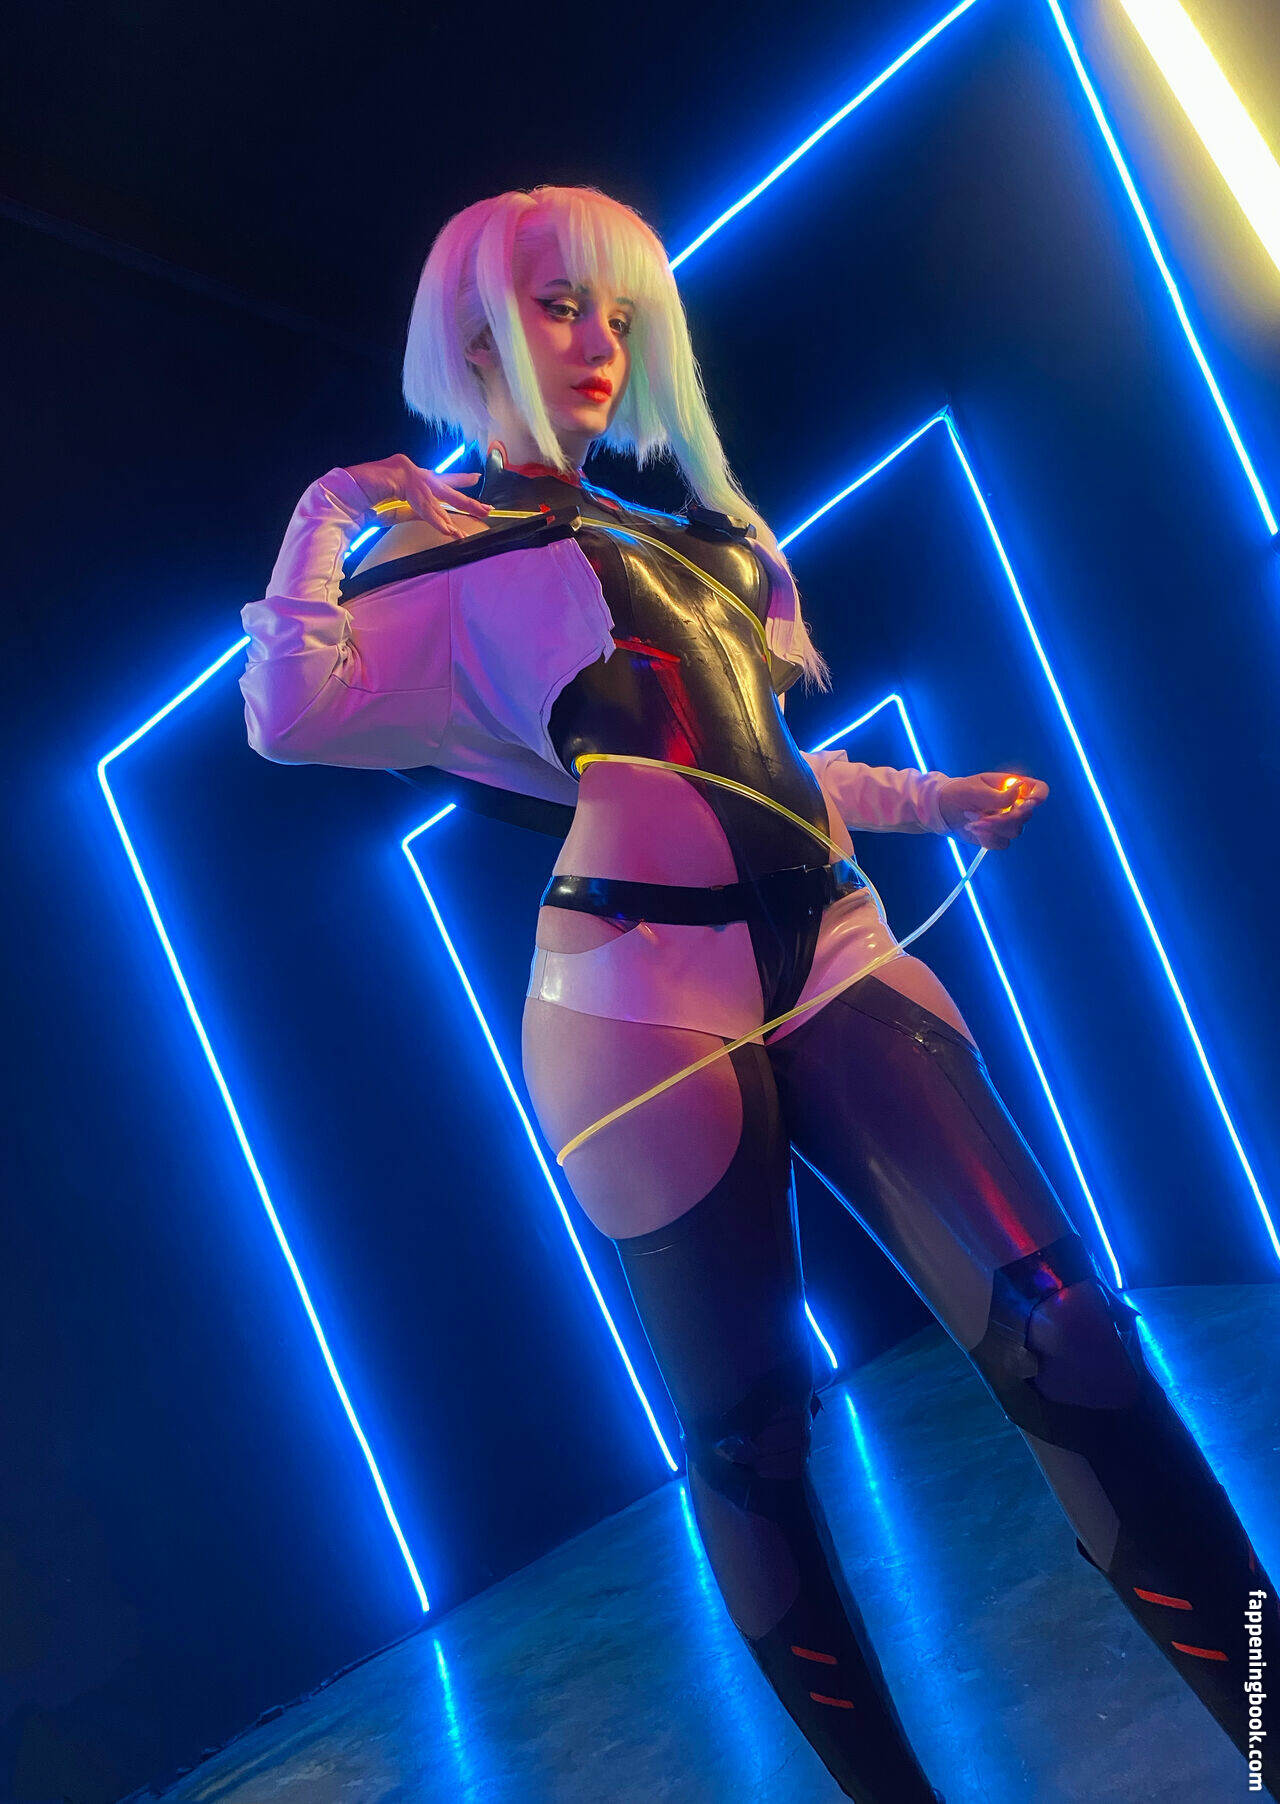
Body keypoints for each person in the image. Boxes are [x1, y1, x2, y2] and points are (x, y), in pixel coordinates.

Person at [239, 184, 1276, 1802]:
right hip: (634, 1005)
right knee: (752, 1443)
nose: (599, 342)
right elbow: (290, 718)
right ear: (474, 335)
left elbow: (772, 762)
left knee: (1072, 1339)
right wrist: (325, 517)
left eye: (620, 313)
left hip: (835, 946)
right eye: (561, 306)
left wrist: (942, 801)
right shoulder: (435, 565)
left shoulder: (705, 541)